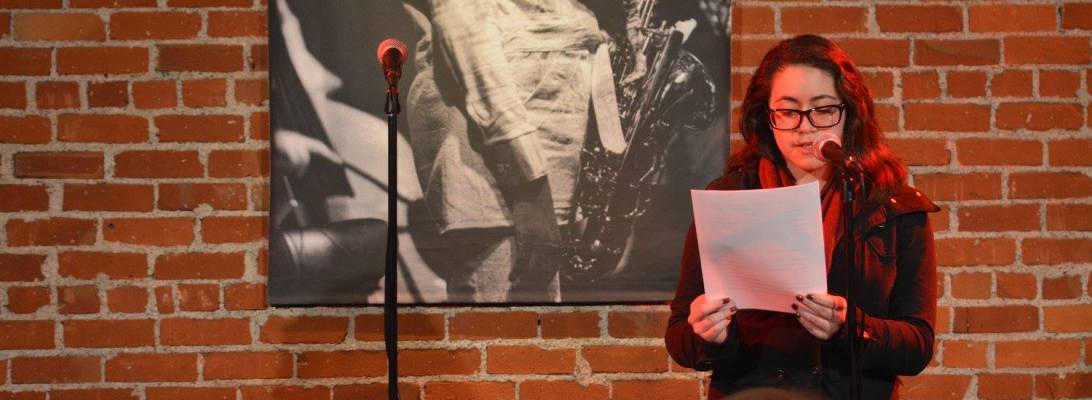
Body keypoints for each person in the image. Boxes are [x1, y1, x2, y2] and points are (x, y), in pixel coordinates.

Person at [665, 35, 939, 399]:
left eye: (823, 109)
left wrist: (850, 327)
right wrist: (707, 333)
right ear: (767, 116)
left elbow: (918, 346)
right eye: (788, 110)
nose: (805, 126)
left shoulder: (893, 207)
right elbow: (679, 337)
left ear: (850, 113)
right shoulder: (728, 199)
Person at [403, 0, 623, 303]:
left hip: (533, 172)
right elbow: (469, 43)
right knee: (502, 336)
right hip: (502, 174)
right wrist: (531, 192)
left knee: (531, 337)